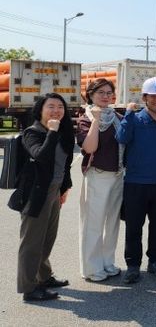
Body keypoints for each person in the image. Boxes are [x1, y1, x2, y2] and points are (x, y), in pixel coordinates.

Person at [116, 76, 156, 284]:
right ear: (144, 98)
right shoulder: (134, 120)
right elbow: (121, 138)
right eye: (153, 96)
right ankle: (133, 265)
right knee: (134, 226)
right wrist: (128, 114)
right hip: (136, 183)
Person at [15, 93, 74, 302]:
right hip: (36, 193)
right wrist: (52, 132)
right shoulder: (32, 133)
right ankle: (28, 288)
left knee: (48, 238)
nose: (56, 110)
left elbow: (66, 165)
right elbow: (41, 156)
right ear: (40, 109)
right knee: (32, 242)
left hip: (55, 190)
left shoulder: (64, 132)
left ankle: (44, 276)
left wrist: (64, 188)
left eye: (60, 106)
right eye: (51, 106)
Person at [76, 78, 124, 282]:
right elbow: (90, 148)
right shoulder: (85, 119)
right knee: (93, 223)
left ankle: (107, 262)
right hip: (97, 175)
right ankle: (91, 268)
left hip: (118, 175)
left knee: (112, 223)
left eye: (109, 93)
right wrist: (96, 121)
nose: (105, 96)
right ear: (91, 95)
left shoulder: (118, 117)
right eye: (100, 92)